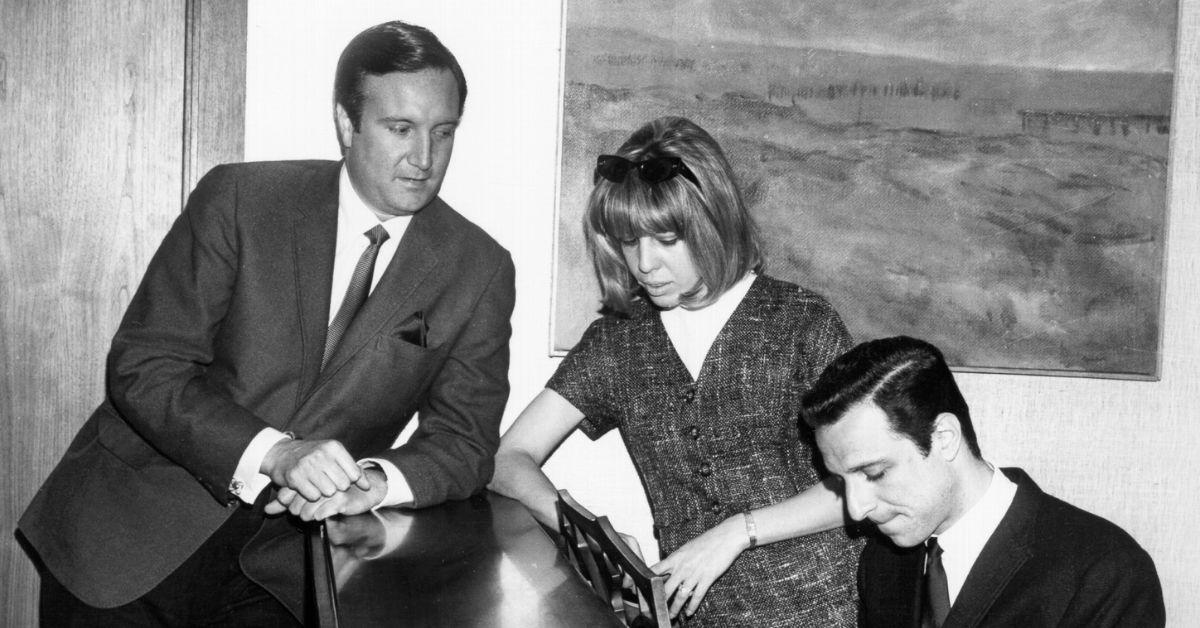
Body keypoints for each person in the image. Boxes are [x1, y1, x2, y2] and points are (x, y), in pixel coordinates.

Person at [17, 21, 514, 625]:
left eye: (443, 132)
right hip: (125, 541)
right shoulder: (240, 200)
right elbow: (145, 368)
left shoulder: (478, 268)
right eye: (400, 128)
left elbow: (464, 444)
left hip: (283, 581)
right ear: (346, 123)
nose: (424, 157)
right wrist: (276, 453)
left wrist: (377, 481)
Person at [489, 116, 861, 626]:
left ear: (712, 221)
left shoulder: (802, 323)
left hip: (822, 607)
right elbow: (508, 457)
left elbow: (865, 483)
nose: (644, 264)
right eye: (627, 240)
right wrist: (594, 537)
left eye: (665, 239)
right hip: (692, 618)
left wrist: (737, 531)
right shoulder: (619, 342)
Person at [801, 336, 1165, 628]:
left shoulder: (1105, 571)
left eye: (875, 473)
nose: (856, 508)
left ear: (944, 436)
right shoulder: (884, 563)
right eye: (841, 482)